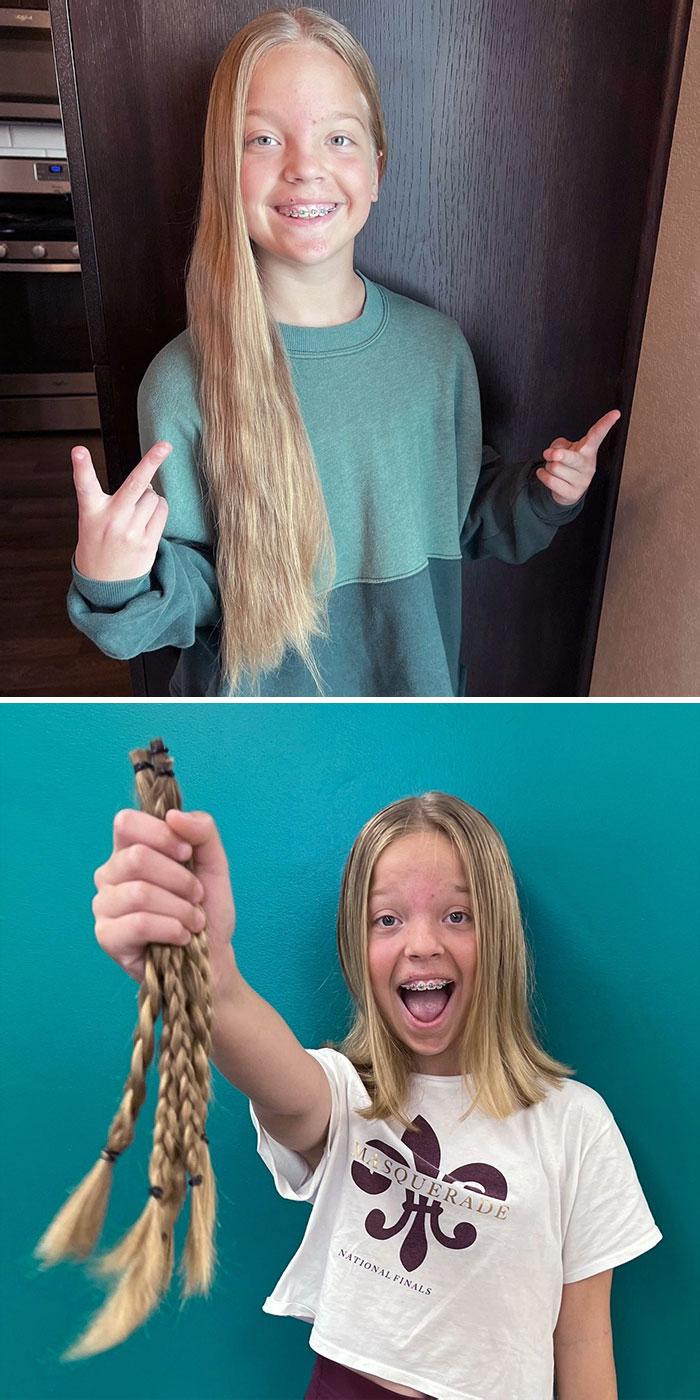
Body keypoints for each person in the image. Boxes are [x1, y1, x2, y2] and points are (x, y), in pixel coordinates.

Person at [66, 6, 620, 698]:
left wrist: (542, 494)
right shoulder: (181, 383)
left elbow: (463, 513)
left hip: (413, 719)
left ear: (376, 168)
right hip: (260, 741)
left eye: (337, 137)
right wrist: (114, 579)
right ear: (224, 170)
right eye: (264, 138)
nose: (305, 167)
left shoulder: (437, 354)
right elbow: (195, 588)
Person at [93, 789, 662, 1399]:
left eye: (457, 915)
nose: (422, 945)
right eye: (387, 919)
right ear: (356, 948)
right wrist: (213, 982)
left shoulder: (576, 1124)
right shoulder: (346, 1095)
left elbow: (582, 1339)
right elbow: (283, 1088)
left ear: (499, 935)